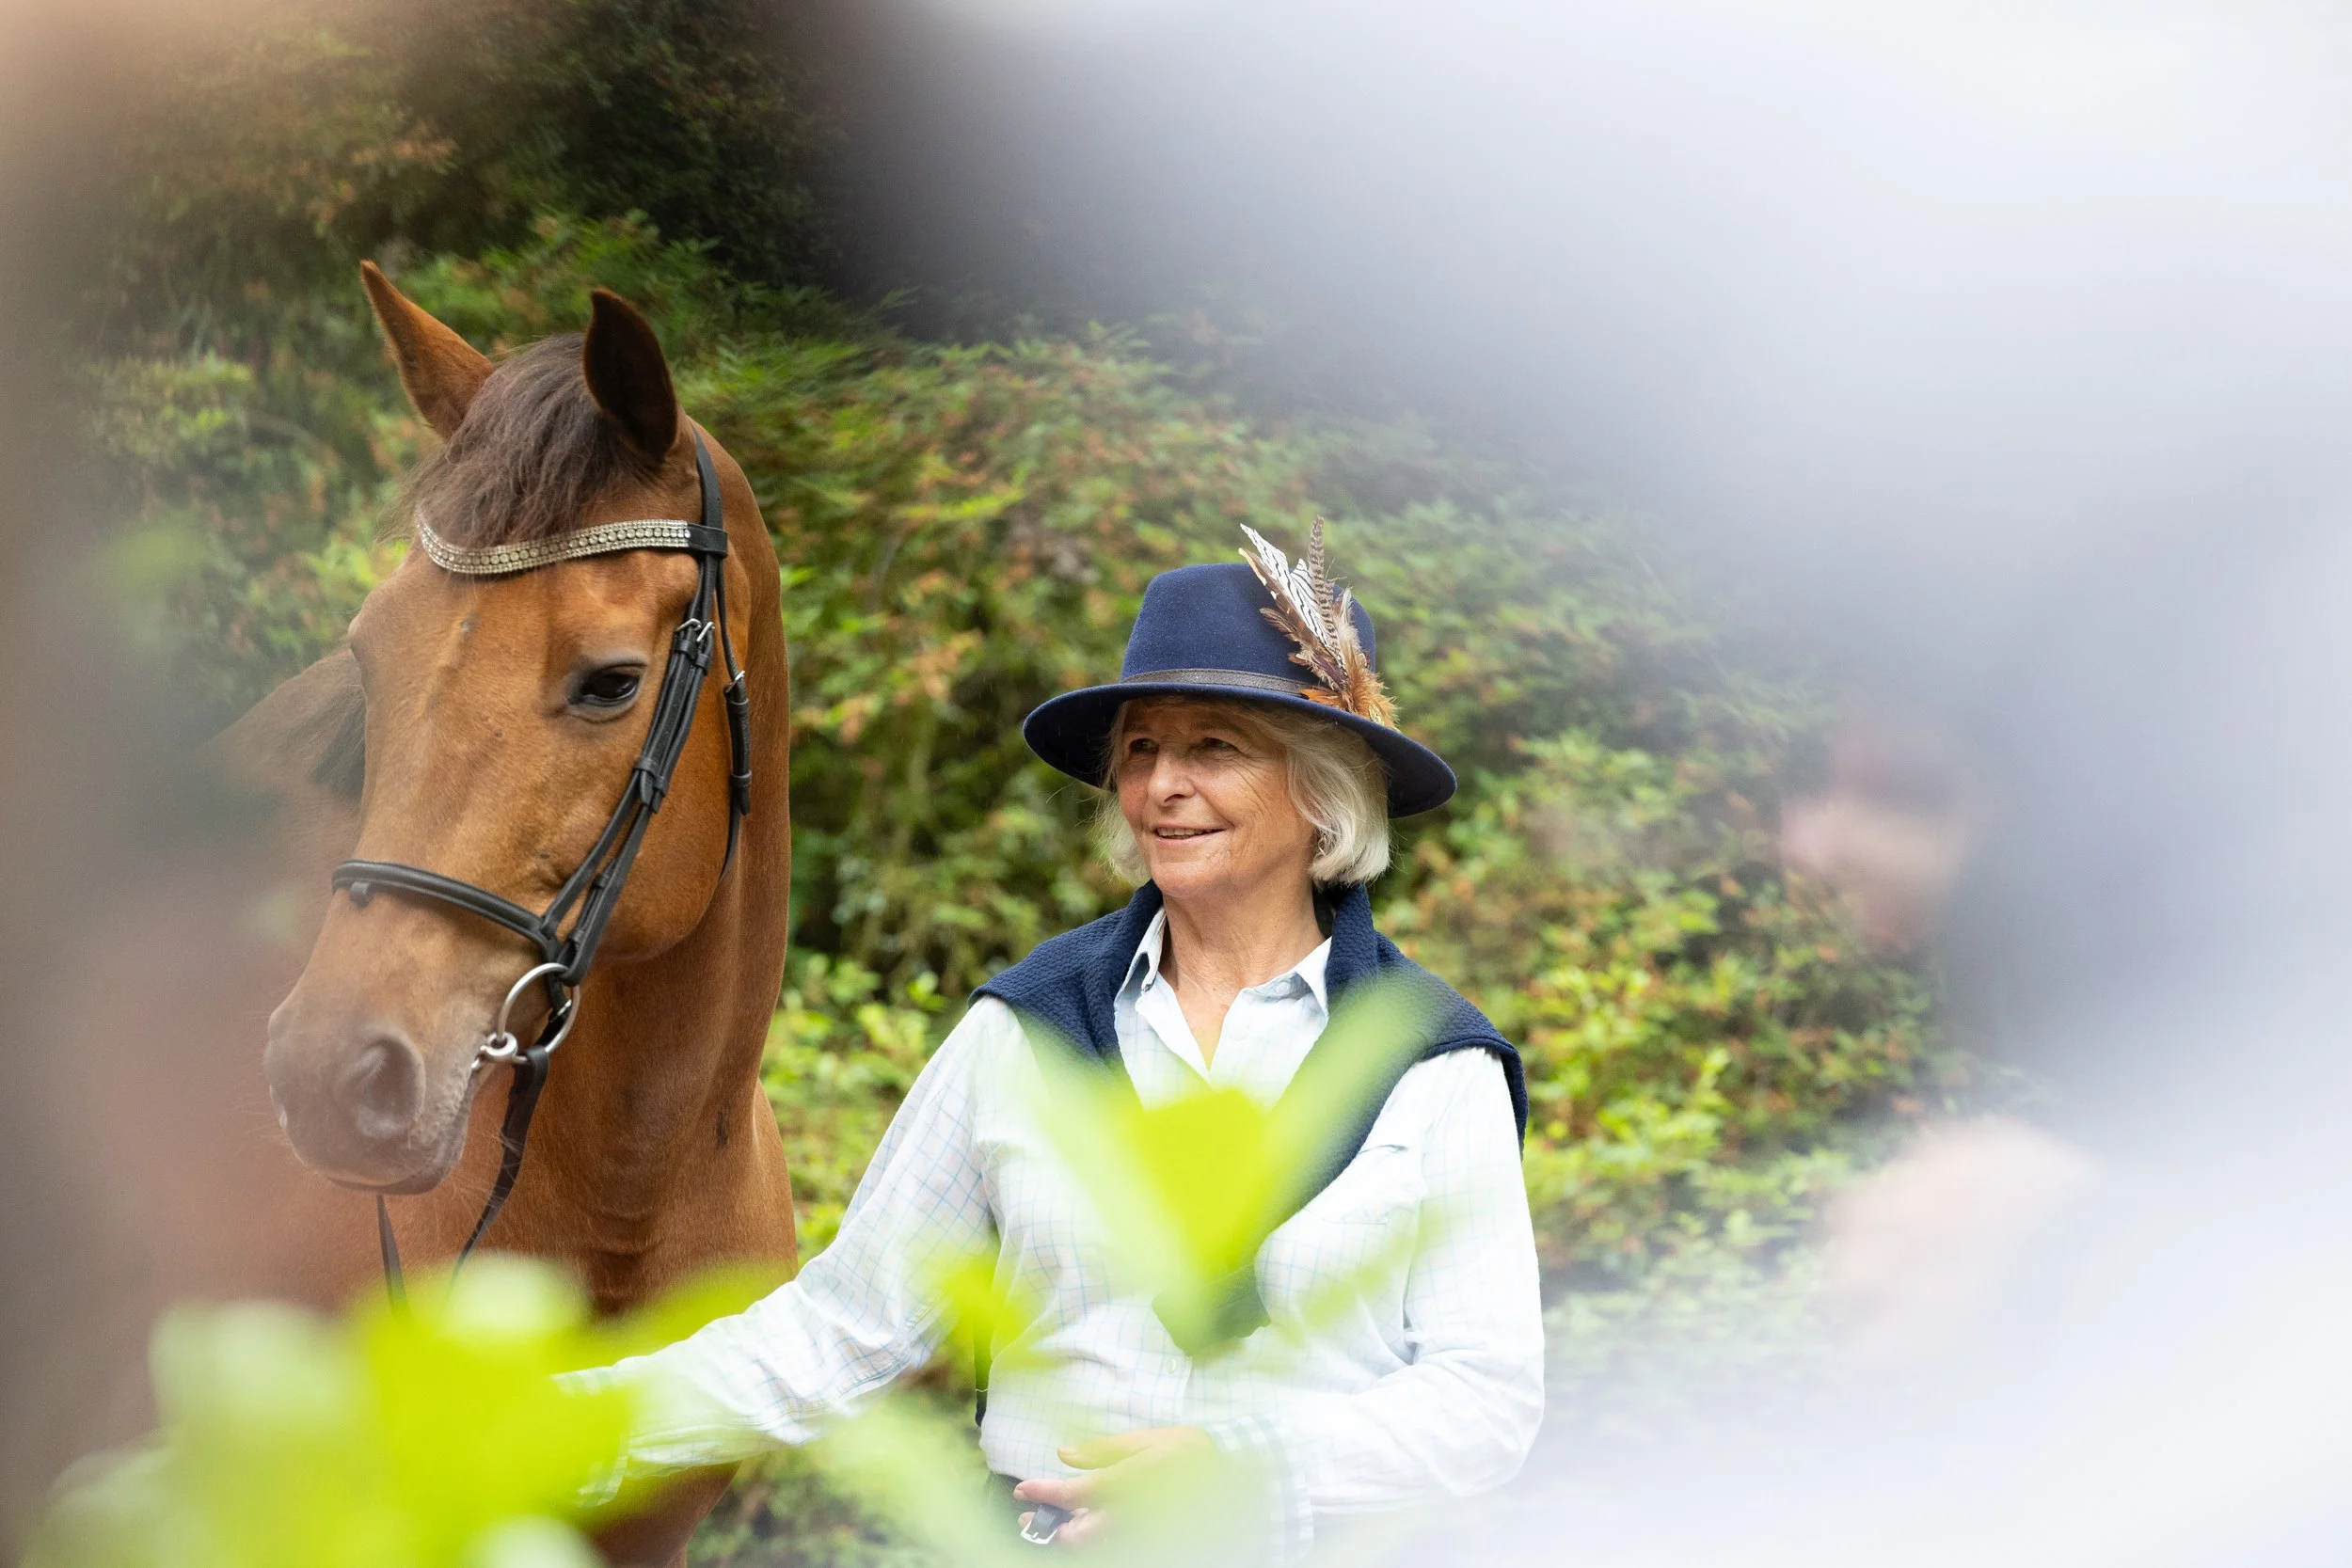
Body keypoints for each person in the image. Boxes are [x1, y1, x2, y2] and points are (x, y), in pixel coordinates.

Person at [594, 528, 1545, 1560]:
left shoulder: (1430, 1059)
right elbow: (845, 1327)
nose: (1161, 786)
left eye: (1213, 746)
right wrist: (553, 1421)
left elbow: (1483, 1398)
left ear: (1323, 788)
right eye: (1141, 749)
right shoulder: (1026, 1029)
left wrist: (1245, 1461)